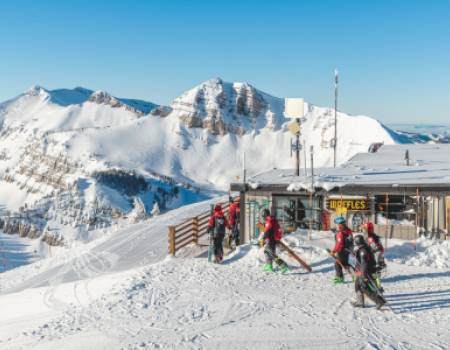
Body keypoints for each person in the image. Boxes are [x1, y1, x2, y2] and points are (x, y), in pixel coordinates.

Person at [351, 234, 386, 309]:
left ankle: (379, 301)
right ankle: (360, 302)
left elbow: (364, 264)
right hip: (363, 270)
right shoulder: (364, 248)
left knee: (364, 287)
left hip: (366, 271)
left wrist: (364, 276)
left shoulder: (363, 250)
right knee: (357, 285)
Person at [258, 208, 289, 273]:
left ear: (264, 215)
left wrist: (263, 239)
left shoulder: (268, 221)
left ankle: (283, 265)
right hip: (272, 239)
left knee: (272, 254)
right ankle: (269, 265)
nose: (262, 217)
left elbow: (267, 232)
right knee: (266, 251)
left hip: (271, 240)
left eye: (262, 215)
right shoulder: (271, 220)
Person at [329, 216, 353, 284]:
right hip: (349, 250)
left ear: (340, 224)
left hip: (342, 251)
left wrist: (333, 251)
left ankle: (340, 278)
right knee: (347, 264)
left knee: (337, 264)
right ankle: (355, 275)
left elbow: (339, 244)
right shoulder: (348, 230)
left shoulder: (340, 233)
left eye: (337, 224)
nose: (337, 226)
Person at [362, 221, 386, 289]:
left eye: (365, 228)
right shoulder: (372, 236)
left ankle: (377, 288)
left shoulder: (370, 238)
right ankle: (377, 287)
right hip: (375, 257)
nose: (363, 230)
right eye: (363, 228)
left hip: (374, 258)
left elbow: (377, 248)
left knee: (372, 273)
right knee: (374, 274)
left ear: (368, 229)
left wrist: (378, 260)